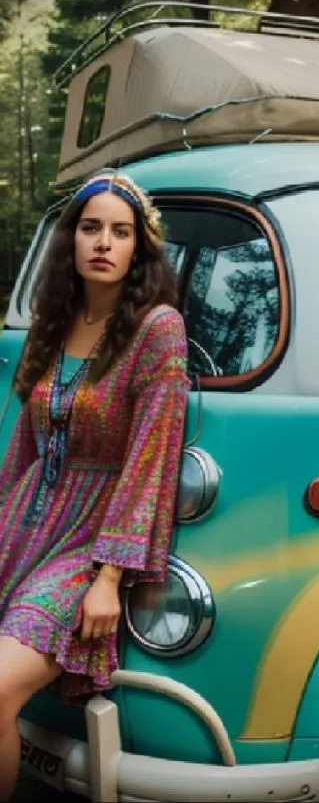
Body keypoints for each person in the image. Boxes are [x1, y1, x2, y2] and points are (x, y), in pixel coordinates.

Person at [0, 168, 190, 801]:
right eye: (90, 228)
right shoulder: (51, 327)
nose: (103, 242)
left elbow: (151, 456)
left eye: (120, 231)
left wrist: (110, 576)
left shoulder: (156, 329)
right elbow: (26, 449)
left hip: (90, 540)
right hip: (24, 524)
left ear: (139, 246)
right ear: (71, 241)